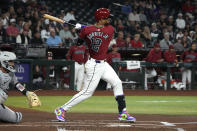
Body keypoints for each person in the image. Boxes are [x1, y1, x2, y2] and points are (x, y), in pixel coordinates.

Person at [54, 8, 136, 122]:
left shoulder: (87, 30)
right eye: (107, 17)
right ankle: (61, 109)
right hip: (94, 66)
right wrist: (83, 27)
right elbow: (98, 30)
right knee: (87, 93)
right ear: (101, 19)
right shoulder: (110, 30)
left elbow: (79, 43)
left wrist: (81, 29)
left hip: (103, 64)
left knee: (117, 83)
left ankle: (123, 112)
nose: (109, 19)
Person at [0, 51, 39, 123]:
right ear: (4, 62)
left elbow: (17, 84)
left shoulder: (11, 73)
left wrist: (27, 93)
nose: (13, 63)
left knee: (17, 118)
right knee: (2, 94)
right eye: (11, 62)